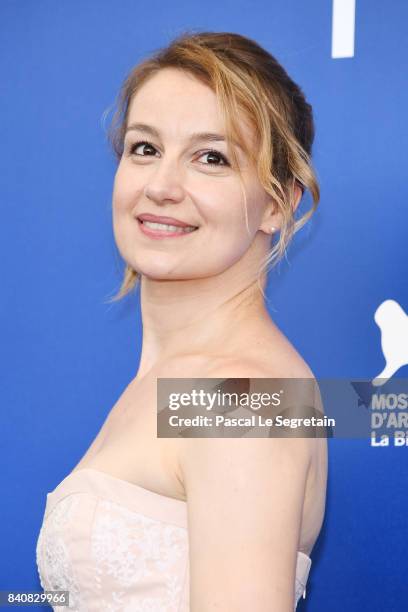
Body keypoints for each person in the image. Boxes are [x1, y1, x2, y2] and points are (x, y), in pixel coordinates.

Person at [36, 31, 327, 611]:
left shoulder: (238, 398)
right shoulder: (180, 380)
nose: (162, 186)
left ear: (277, 203)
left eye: (211, 158)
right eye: (144, 148)